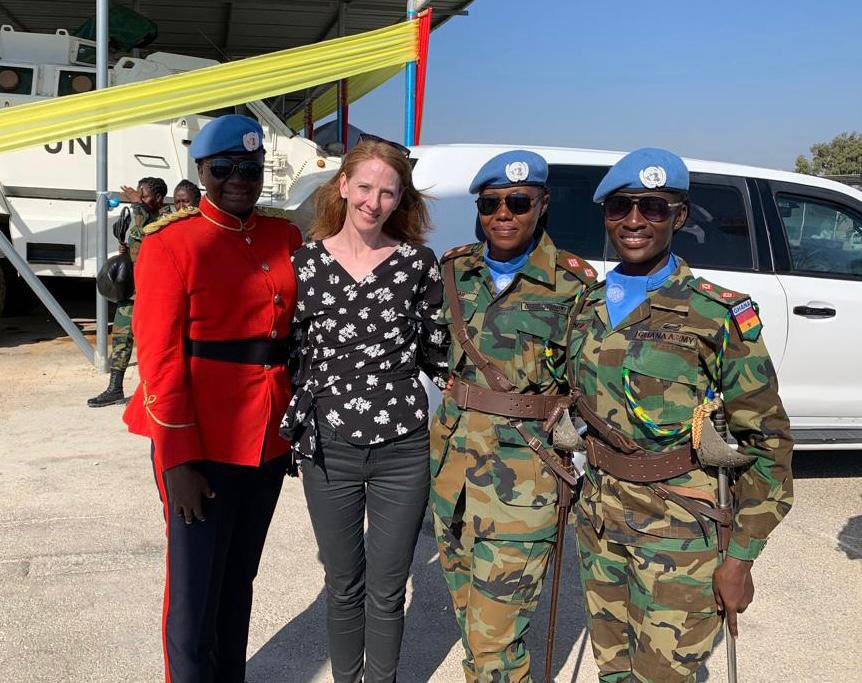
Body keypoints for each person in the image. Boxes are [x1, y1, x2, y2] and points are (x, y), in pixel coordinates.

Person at [568, 148, 794, 682]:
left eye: (653, 208)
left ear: (680, 217)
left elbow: (768, 443)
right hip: (600, 524)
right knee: (615, 671)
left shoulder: (717, 314)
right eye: (621, 207)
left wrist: (740, 556)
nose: (634, 221)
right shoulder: (587, 307)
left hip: (680, 534)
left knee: (665, 676)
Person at [123, 115, 303, 683]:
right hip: (201, 439)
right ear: (201, 172)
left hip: (267, 438)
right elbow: (160, 361)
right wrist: (177, 460)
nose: (237, 179)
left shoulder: (284, 236)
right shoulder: (170, 242)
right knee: (195, 592)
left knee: (238, 580)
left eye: (248, 169)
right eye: (222, 168)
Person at [279, 137, 449, 683]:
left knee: (388, 587)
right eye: (366, 188)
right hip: (329, 446)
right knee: (343, 582)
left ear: (402, 202)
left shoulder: (416, 265)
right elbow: (289, 352)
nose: (374, 202)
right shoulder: (303, 264)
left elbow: (437, 352)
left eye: (388, 193)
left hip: (402, 446)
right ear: (343, 186)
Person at [429, 150, 597, 681]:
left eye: (518, 202)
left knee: (494, 642)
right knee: (475, 632)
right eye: (491, 202)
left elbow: (594, 383)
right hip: (451, 476)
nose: (504, 213)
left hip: (523, 485)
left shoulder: (574, 286)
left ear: (541, 204)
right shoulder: (455, 270)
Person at [87, 176, 169, 407]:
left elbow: (150, 232)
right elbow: (139, 238)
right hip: (132, 291)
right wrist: (126, 247)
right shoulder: (142, 213)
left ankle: (148, 391)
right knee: (122, 337)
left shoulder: (165, 216)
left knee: (148, 343)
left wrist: (136, 203)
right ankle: (114, 388)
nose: (140, 198)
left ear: (159, 198)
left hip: (151, 292)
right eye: (139, 195)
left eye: (145, 195)